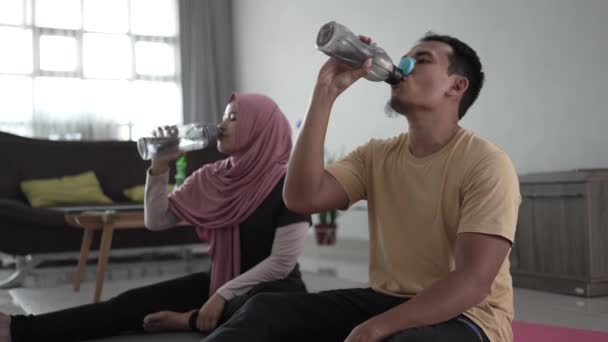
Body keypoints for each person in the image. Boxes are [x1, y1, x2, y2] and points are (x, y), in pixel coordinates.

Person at [200, 34, 521, 342]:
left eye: (421, 60)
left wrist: (374, 329)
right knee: (266, 309)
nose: (404, 66)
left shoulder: (486, 162)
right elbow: (301, 197)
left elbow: (473, 283)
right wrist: (325, 92)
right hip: (385, 299)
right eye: (404, 58)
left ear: (456, 85)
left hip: (468, 316)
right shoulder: (376, 156)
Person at [0, 93, 311, 342]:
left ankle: (189, 319)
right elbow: (157, 220)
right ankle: (18, 329)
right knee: (129, 304)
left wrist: (221, 295)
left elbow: (281, 263)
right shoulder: (214, 176)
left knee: (256, 313)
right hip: (222, 282)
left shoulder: (289, 181)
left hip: (271, 291)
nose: (221, 124)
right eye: (223, 116)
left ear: (260, 128)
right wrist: (159, 167)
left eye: (233, 117)